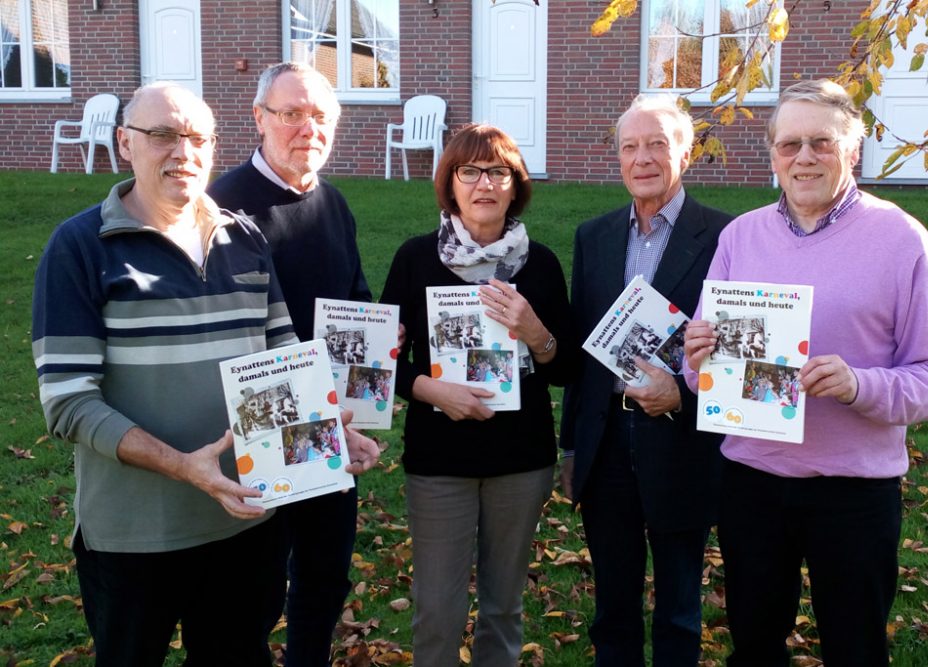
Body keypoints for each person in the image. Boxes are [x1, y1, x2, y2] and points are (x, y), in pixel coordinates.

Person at [683, 79, 928, 666]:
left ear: (852, 150)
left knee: (855, 649)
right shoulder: (741, 236)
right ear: (773, 154)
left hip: (854, 492)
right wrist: (698, 357)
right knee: (754, 646)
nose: (803, 157)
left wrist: (861, 385)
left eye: (821, 143)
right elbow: (701, 377)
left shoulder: (901, 239)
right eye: (789, 145)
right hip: (752, 481)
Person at [31, 82, 296, 666]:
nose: (184, 151)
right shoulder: (80, 247)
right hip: (135, 535)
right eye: (163, 135)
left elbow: (282, 358)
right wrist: (186, 468)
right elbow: (69, 402)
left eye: (198, 137)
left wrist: (324, 428)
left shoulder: (244, 239)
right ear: (125, 143)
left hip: (246, 522)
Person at [380, 124, 574, 667]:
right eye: (469, 172)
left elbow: (564, 370)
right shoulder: (416, 259)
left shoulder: (542, 265)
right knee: (437, 610)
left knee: (503, 608)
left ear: (515, 185)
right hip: (439, 459)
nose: (484, 184)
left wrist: (536, 332)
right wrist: (428, 387)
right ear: (450, 183)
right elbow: (381, 364)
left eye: (498, 172)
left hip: (520, 459)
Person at [208, 62, 374, 667]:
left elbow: (352, 297)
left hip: (331, 424)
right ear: (259, 119)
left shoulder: (333, 203)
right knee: (253, 587)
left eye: (320, 116)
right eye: (292, 114)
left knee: (326, 575)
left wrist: (376, 338)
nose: (308, 127)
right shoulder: (219, 206)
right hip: (252, 425)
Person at [559, 94, 732, 666]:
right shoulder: (594, 236)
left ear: (685, 150)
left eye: (658, 143)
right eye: (630, 146)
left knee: (680, 610)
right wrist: (571, 446)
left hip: (682, 442)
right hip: (606, 442)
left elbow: (735, 360)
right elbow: (585, 348)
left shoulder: (727, 238)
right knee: (612, 607)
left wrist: (680, 395)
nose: (643, 158)